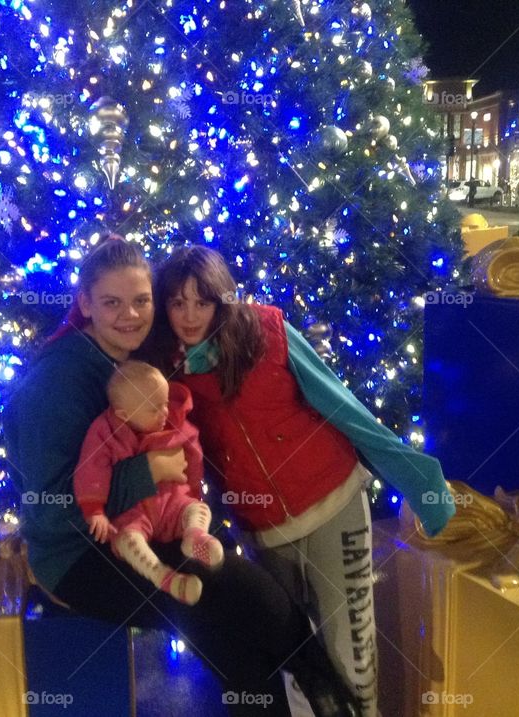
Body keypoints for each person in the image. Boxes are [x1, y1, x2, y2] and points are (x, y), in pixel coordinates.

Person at [3, 237, 361, 717]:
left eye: (141, 300)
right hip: (79, 554)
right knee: (250, 602)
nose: (130, 314)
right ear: (84, 303)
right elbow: (49, 514)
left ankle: (309, 695)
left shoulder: (131, 358)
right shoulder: (58, 382)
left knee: (230, 632)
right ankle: (327, 689)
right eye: (112, 303)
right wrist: (146, 473)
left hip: (151, 522)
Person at [151, 246, 456, 717]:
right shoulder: (168, 373)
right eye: (177, 303)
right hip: (262, 532)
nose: (190, 315)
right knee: (298, 662)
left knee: (351, 656)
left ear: (221, 300)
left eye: (202, 301)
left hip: (333, 507)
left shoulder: (266, 331)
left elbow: (344, 409)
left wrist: (422, 483)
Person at [74, 360, 223, 606]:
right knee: (125, 539)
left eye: (165, 403)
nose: (164, 412)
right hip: (135, 512)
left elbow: (193, 452)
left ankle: (194, 536)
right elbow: (91, 469)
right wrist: (95, 511)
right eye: (154, 409)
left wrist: (193, 491)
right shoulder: (105, 431)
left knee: (197, 509)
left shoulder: (174, 422)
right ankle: (163, 577)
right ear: (124, 415)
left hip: (172, 503)